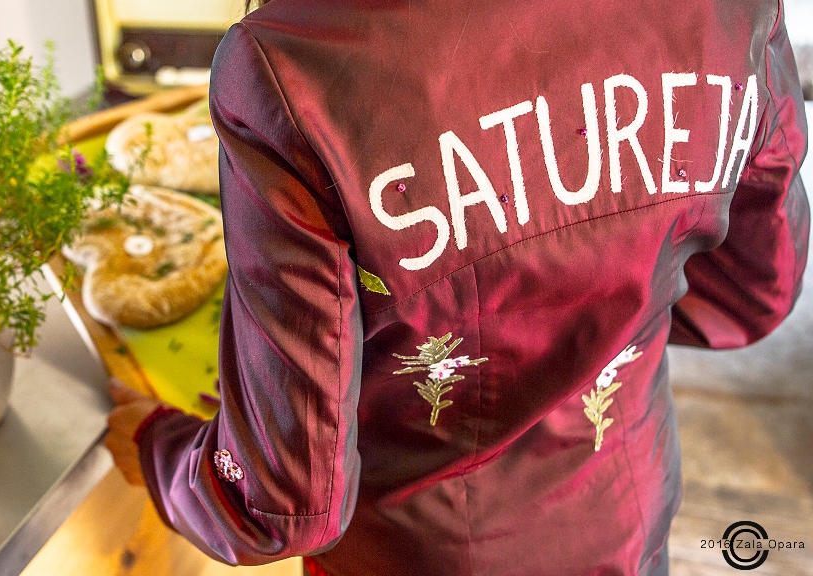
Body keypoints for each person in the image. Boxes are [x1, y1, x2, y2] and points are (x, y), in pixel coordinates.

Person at [105, 0, 810, 574]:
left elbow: (284, 499)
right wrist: (606, 312)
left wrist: (158, 450)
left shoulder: (293, 65)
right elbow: (754, 292)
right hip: (623, 511)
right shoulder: (726, 10)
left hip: (420, 548)